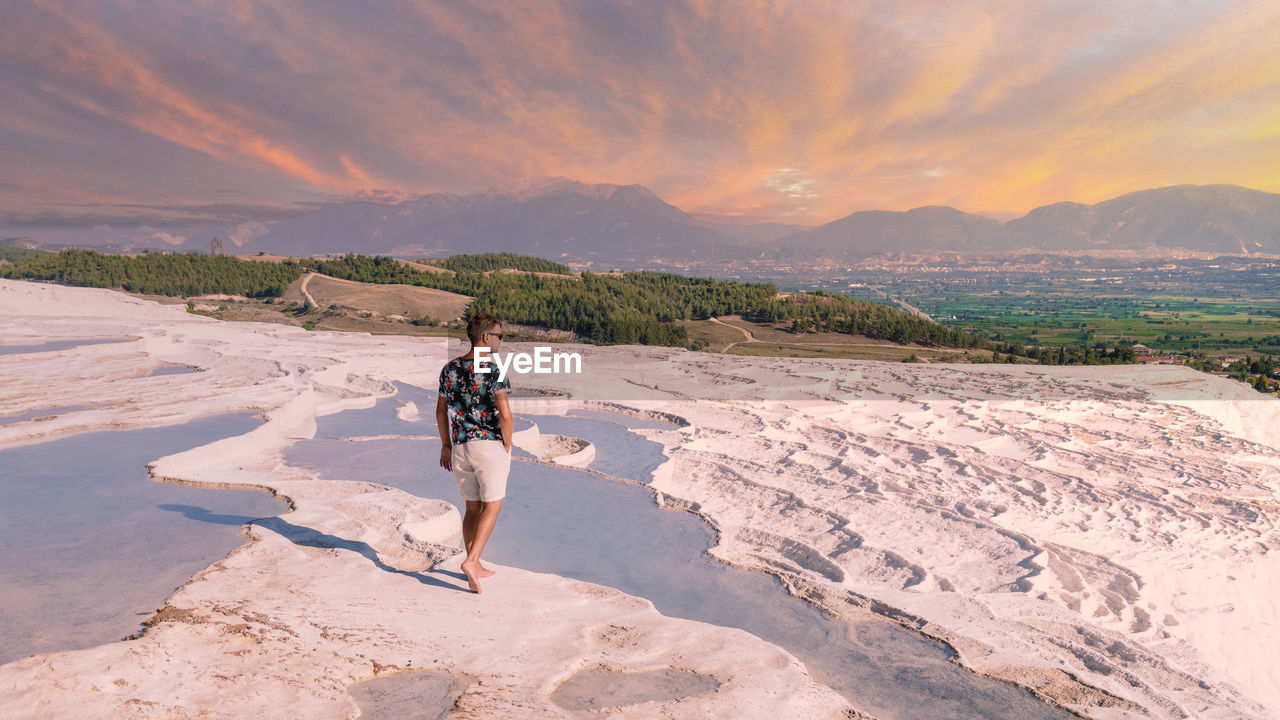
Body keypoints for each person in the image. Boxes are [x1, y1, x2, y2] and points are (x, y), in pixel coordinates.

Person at [436, 313, 513, 593]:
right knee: (493, 506)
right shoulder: (494, 370)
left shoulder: (450, 368)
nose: (501, 340)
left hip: (459, 448)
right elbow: (505, 416)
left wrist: (446, 445)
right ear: (485, 338)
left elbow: (440, 411)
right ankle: (471, 561)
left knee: (472, 508)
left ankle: (475, 567)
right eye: (499, 335)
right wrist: (506, 446)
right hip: (487, 445)